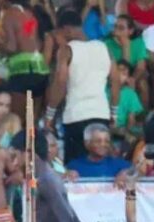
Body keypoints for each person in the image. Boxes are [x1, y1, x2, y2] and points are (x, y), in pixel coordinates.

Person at [45, 8, 119, 163]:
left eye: (59, 33)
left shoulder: (67, 50)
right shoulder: (104, 48)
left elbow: (60, 82)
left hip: (76, 116)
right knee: (99, 163)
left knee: (76, 167)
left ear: (67, 29)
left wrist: (50, 114)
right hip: (101, 113)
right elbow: (115, 81)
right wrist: (114, 113)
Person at [0, 0, 49, 121]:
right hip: (40, 70)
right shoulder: (29, 14)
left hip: (22, 70)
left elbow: (11, 47)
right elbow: (30, 40)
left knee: (17, 121)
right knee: (32, 122)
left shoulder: (9, 14)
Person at [66, 123, 133, 180]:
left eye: (107, 141)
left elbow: (136, 170)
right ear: (87, 143)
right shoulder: (74, 166)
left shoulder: (119, 164)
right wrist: (67, 175)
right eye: (98, 141)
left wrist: (127, 173)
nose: (103, 145)